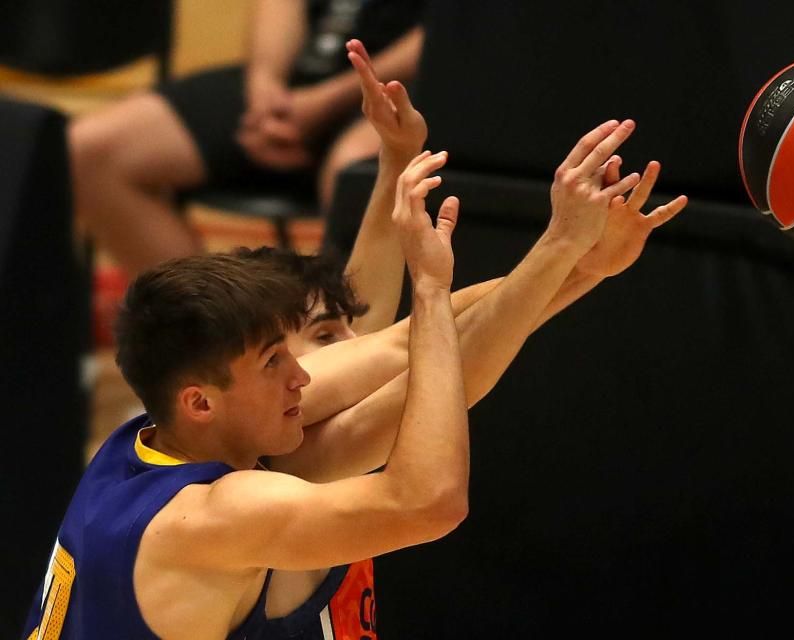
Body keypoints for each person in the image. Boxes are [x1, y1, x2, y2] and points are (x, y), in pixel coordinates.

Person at [23, 100, 684, 636]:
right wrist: (476, 273)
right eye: (277, 359)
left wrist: (578, 262)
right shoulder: (220, 516)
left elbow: (418, 354)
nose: (306, 376)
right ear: (203, 400)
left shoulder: (186, 445)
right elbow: (427, 501)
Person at [70, 0, 424, 277]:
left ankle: (356, 355)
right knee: (91, 149)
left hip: (414, 87)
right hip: (301, 76)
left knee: (356, 177)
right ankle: (212, 341)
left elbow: (451, 32)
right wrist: (264, 86)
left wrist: (327, 101)